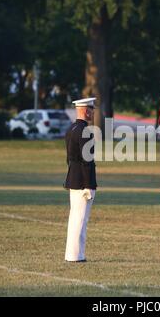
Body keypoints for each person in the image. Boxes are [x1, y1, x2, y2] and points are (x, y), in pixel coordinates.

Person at [64, 97, 97, 262]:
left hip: (72, 178)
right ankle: (76, 255)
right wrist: (89, 185)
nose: (93, 112)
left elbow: (69, 158)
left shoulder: (71, 128)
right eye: (91, 109)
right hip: (82, 181)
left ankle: (72, 254)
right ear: (86, 110)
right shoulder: (85, 131)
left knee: (75, 218)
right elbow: (87, 161)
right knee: (80, 220)